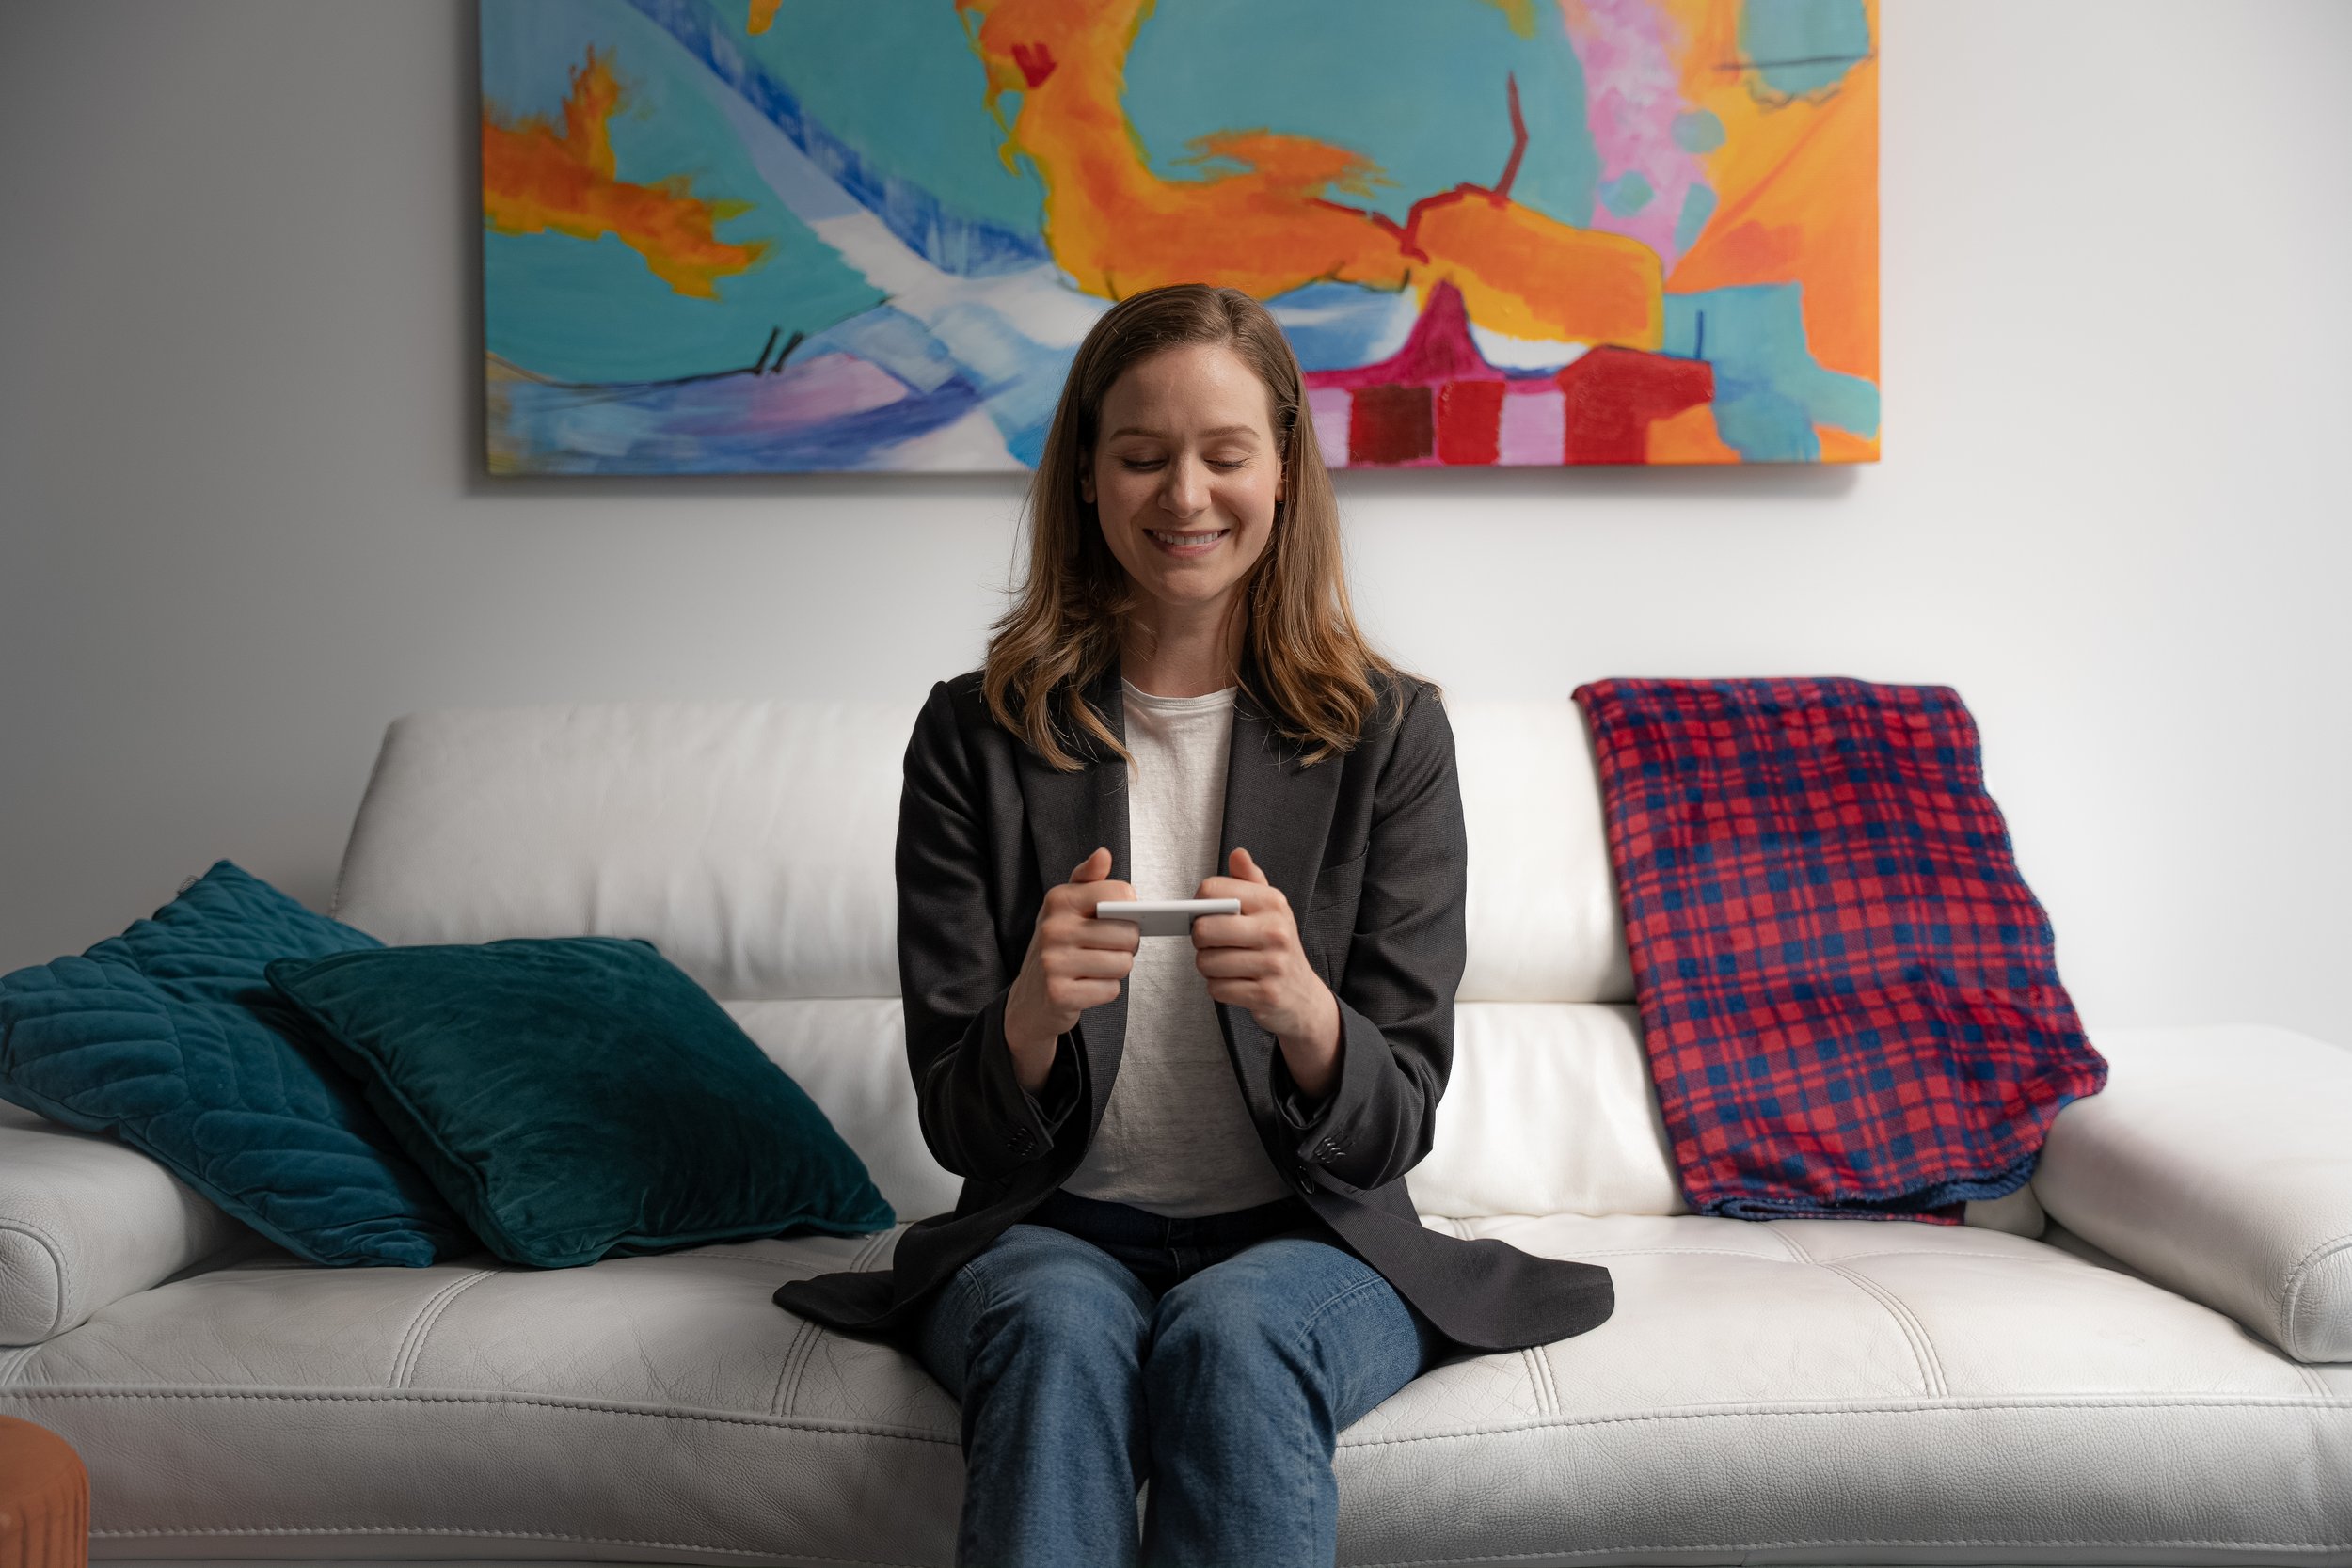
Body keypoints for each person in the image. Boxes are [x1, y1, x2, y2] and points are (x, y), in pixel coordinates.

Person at [772, 284, 1613, 1568]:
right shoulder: (970, 734)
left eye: (1225, 455)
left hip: (1309, 1239)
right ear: (1088, 482)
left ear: (1283, 471)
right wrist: (1031, 1019)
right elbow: (958, 1120)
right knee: (1054, 1333)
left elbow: (1401, 1116)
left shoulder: (1391, 736)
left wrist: (1307, 1015)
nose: (1184, 497)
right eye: (1142, 456)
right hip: (1049, 1230)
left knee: (1234, 1332)